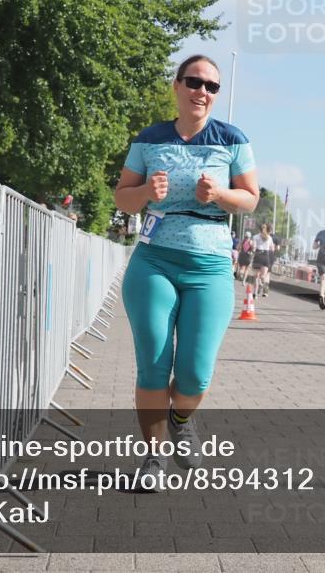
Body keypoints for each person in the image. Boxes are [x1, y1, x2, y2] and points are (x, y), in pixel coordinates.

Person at [114, 54, 259, 488]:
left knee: (195, 373)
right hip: (154, 261)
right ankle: (154, 458)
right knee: (153, 367)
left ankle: (181, 419)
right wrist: (145, 190)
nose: (202, 92)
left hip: (210, 266)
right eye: (194, 82)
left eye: (212, 87)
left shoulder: (231, 139)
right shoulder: (149, 139)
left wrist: (220, 195)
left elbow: (250, 199)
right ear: (177, 85)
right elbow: (123, 198)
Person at [251, 223, 274, 298]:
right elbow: (272, 249)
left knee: (256, 276)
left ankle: (255, 293)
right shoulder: (269, 237)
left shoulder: (255, 237)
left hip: (258, 256)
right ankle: (262, 284)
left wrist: (252, 252)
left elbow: (254, 248)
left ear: (260, 229)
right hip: (266, 257)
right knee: (263, 277)